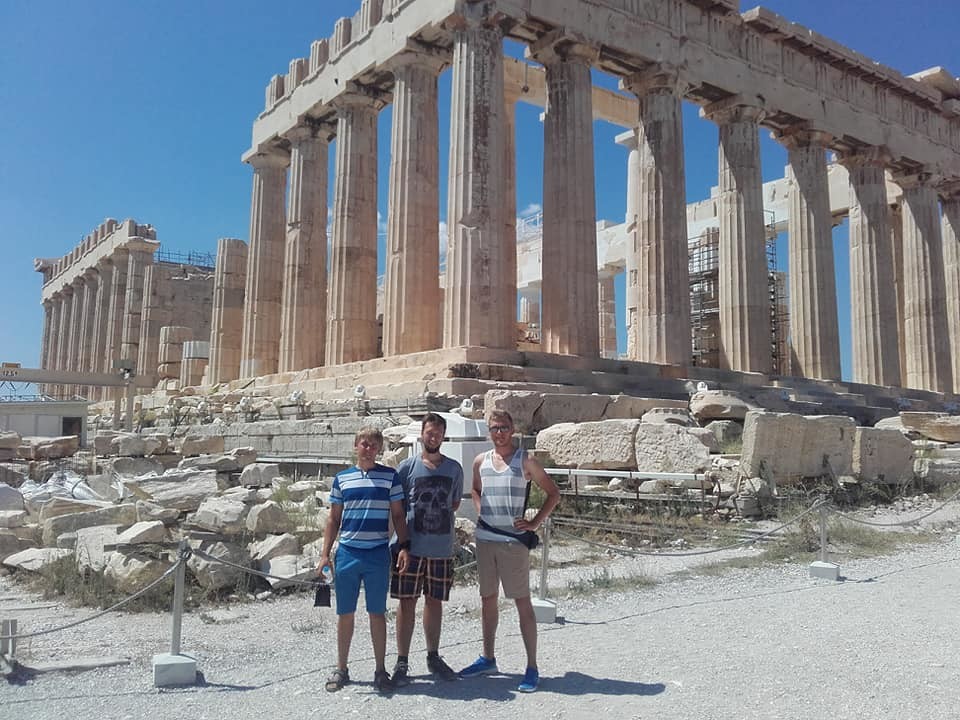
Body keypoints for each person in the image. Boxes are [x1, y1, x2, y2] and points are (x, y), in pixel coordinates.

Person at [459, 409, 560, 693]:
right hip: (485, 539)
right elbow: (475, 489)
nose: (499, 433)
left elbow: (553, 493)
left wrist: (534, 523)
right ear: (489, 431)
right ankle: (488, 658)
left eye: (503, 427)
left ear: (512, 429)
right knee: (487, 599)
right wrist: (481, 510)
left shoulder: (525, 460)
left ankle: (532, 666)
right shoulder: (481, 461)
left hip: (513, 542)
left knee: (522, 602)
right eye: (494, 428)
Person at [318, 426, 410, 694]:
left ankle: (380, 670)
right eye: (364, 444)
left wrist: (404, 546)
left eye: (373, 445)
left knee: (377, 613)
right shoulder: (342, 479)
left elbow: (398, 515)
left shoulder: (390, 477)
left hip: (377, 553)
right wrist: (325, 554)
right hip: (348, 552)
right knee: (345, 613)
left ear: (379, 448)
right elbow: (334, 519)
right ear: (356, 446)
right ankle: (341, 668)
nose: (368, 449)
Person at [390, 412, 464, 685]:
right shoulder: (406, 468)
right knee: (406, 602)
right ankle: (402, 660)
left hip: (440, 548)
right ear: (422, 434)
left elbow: (454, 504)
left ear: (444, 436)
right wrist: (400, 544)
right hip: (411, 547)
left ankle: (433, 656)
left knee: (434, 602)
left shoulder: (454, 469)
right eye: (429, 432)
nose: (433, 437)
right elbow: (397, 509)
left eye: (438, 433)